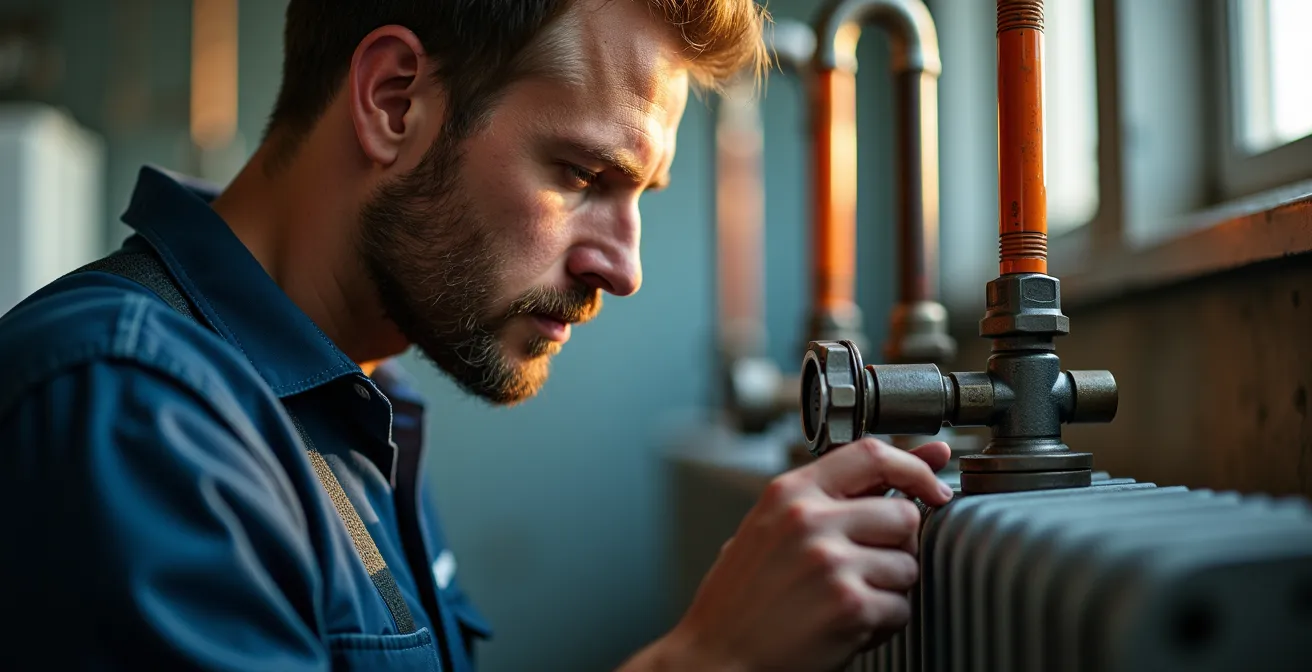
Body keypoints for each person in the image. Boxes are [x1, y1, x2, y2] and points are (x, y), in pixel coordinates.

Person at [0, 0, 955, 670]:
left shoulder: (361, 402)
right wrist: (710, 663)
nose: (622, 269)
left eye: (639, 199)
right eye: (584, 174)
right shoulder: (133, 408)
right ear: (394, 101)